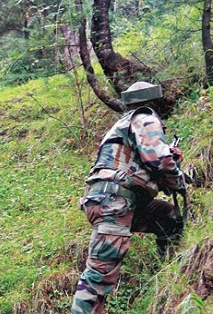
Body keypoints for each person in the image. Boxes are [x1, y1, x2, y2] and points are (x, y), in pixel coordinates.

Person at [71, 82, 188, 313]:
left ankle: (168, 274)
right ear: (154, 102)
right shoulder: (145, 117)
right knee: (99, 275)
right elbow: (161, 161)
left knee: (169, 217)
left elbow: (146, 167)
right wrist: (179, 178)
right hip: (114, 204)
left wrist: (170, 166)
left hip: (117, 202)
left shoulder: (125, 124)